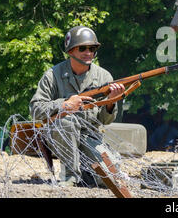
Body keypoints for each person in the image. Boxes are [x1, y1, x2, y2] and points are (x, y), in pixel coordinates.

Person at [29, 26, 125, 187]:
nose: (88, 52)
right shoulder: (53, 75)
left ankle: (86, 174)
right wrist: (64, 105)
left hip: (89, 136)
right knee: (66, 122)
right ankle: (69, 177)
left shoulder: (104, 76)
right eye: (82, 48)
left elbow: (104, 120)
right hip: (59, 135)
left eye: (92, 48)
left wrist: (110, 102)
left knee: (109, 178)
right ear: (70, 51)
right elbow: (35, 110)